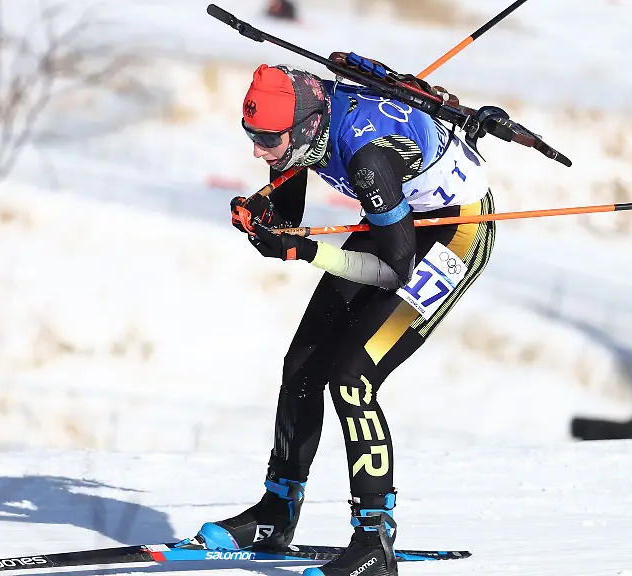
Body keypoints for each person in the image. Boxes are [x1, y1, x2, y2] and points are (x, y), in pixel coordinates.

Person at [192, 63, 497, 576]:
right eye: (251, 135)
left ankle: (375, 539)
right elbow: (286, 220)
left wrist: (305, 251)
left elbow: (392, 271)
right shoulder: (300, 123)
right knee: (302, 363)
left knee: (353, 376)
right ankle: (276, 512)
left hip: (454, 231)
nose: (258, 151)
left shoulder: (367, 160)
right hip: (395, 216)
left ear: (305, 126)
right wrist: (265, 226)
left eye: (267, 139)